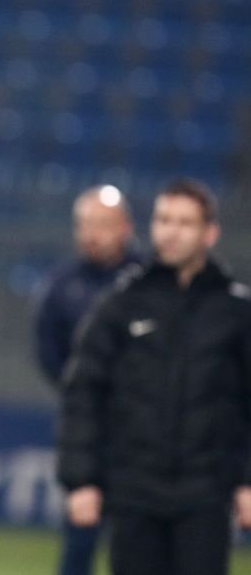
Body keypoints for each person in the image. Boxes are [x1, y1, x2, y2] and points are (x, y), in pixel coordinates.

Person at [58, 179, 251, 575]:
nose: (171, 231)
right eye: (164, 220)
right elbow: (83, 393)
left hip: (206, 496)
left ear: (209, 233)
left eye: (185, 222)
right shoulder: (120, 304)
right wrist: (81, 480)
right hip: (134, 494)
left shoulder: (235, 312)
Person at [33, 185, 138, 575]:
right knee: (79, 540)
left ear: (125, 228)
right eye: (85, 224)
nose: (92, 234)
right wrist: (80, 391)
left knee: (140, 543)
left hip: (143, 430)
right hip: (87, 429)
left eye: (103, 224)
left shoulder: (147, 282)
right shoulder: (61, 284)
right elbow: (47, 349)